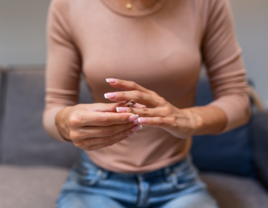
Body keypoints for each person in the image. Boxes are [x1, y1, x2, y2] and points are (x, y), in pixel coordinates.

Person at [43, 0, 250, 207]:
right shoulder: (69, 5)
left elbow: (238, 100)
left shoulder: (207, 4)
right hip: (95, 183)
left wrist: (190, 119)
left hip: (177, 182)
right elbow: (55, 107)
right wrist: (65, 121)